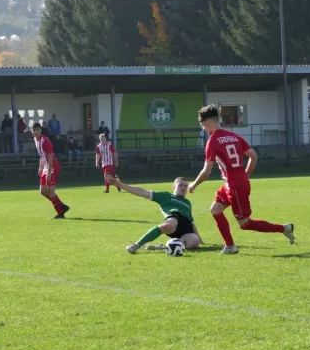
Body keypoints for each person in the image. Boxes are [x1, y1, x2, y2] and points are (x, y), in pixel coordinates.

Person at [188, 104, 294, 255]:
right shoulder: (234, 136)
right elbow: (254, 156)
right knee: (215, 210)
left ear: (209, 123)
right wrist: (245, 175)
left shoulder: (212, 141)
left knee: (245, 224)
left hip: (235, 187)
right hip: (232, 184)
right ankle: (230, 245)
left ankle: (284, 228)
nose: (204, 129)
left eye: (204, 126)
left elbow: (206, 171)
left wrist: (194, 184)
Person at [107, 176, 203, 254]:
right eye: (180, 185)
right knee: (169, 224)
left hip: (186, 228)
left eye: (185, 186)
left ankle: (162, 247)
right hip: (174, 218)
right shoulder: (166, 196)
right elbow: (142, 192)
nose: (183, 188)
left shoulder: (187, 202)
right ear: (174, 187)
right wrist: (121, 185)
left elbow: (192, 222)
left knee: (194, 242)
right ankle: (136, 245)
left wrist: (200, 239)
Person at [32, 122, 70, 219]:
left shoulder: (45, 141)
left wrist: (49, 173)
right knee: (43, 191)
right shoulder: (36, 140)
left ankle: (60, 213)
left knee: (50, 192)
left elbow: (50, 158)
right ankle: (62, 206)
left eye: (37, 129)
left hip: (52, 167)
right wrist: (40, 167)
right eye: (34, 130)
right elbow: (41, 155)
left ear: (41, 130)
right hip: (45, 167)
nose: (36, 132)